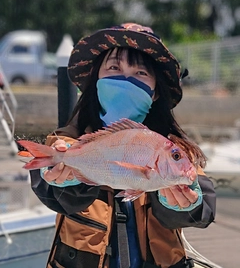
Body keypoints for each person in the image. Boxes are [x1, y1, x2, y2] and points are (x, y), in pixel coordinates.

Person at [30, 23, 216, 268]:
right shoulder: (68, 143)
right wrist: (62, 178)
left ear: (155, 92)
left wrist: (187, 202)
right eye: (114, 68)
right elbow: (58, 197)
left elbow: (204, 210)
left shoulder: (169, 146)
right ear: (96, 81)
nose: (126, 79)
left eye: (141, 73)